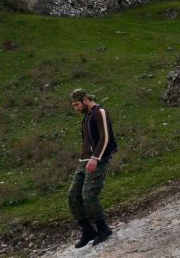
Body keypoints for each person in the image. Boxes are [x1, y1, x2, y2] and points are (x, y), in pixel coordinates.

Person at [67, 88, 118, 248]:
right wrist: (84, 158)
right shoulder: (87, 116)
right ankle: (88, 230)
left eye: (77, 104)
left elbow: (105, 137)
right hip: (84, 161)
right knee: (73, 196)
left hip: (98, 160)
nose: (76, 109)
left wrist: (95, 158)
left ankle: (103, 229)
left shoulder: (100, 112)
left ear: (85, 100)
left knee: (88, 195)